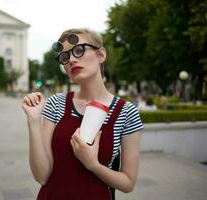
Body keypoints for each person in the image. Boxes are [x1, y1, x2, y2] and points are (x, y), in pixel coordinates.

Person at [21, 28, 143, 200]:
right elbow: (42, 176)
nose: (70, 60)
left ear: (101, 55)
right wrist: (33, 121)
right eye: (65, 57)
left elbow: (128, 183)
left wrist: (92, 164)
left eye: (79, 50)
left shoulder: (126, 112)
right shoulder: (56, 103)